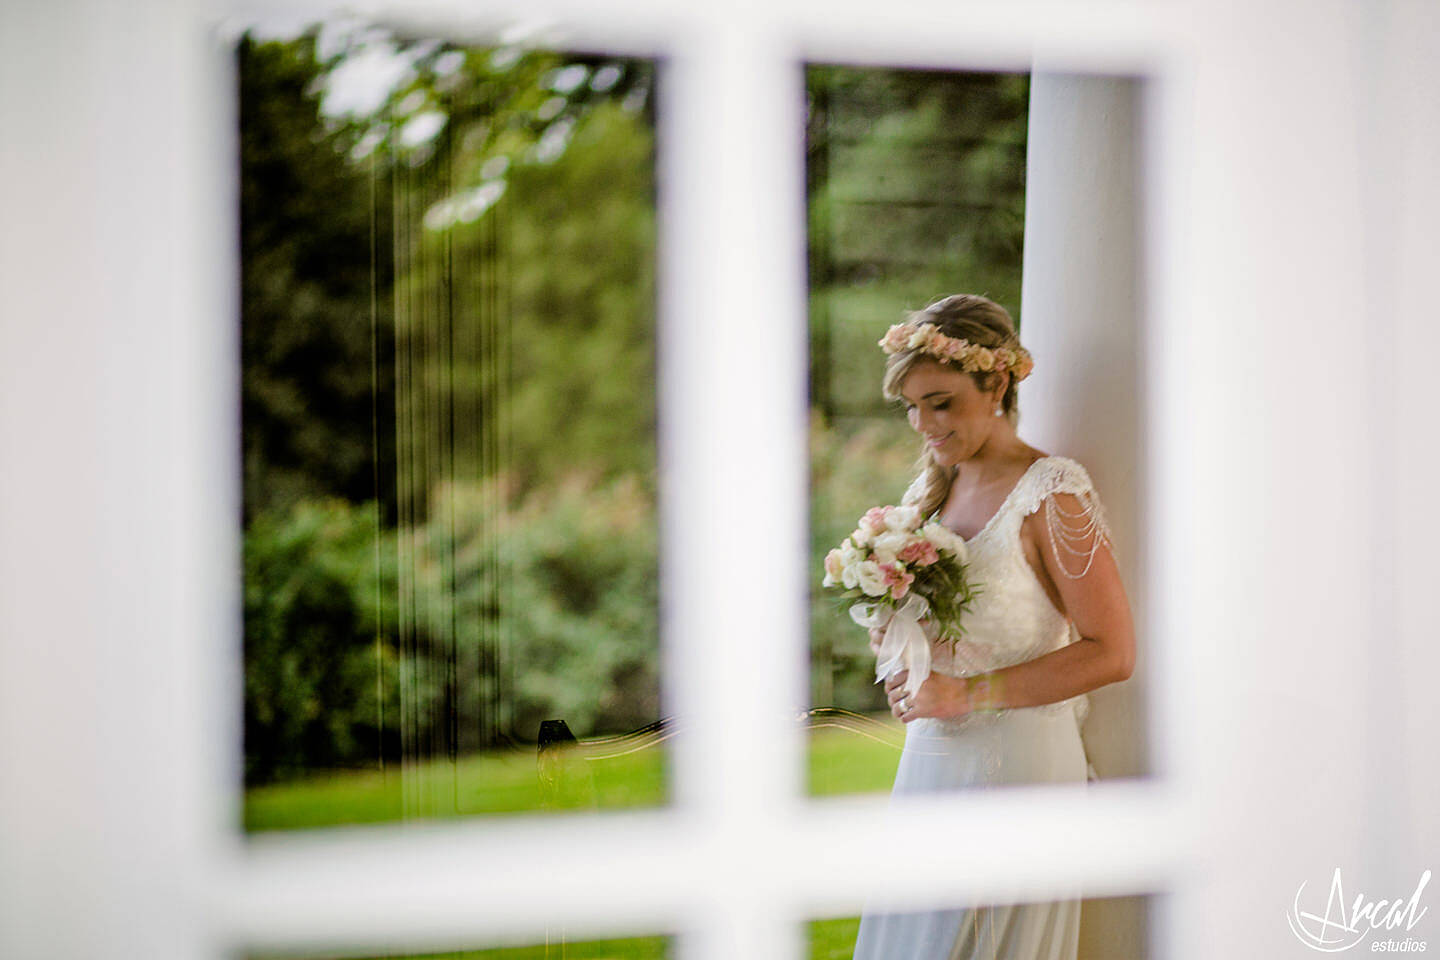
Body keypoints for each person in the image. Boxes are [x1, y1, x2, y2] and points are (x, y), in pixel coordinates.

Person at [849, 294, 1136, 960]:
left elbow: (1113, 652)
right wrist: (901, 650)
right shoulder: (934, 493)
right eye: (912, 406)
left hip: (1020, 770)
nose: (923, 423)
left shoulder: (1051, 492)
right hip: (932, 763)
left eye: (940, 402)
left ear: (996, 383)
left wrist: (966, 694)